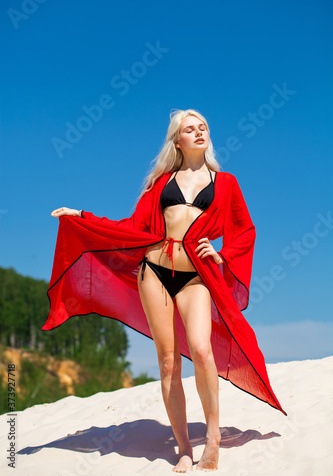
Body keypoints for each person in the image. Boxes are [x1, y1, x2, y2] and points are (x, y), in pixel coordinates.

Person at [46, 109, 285, 473]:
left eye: (203, 126)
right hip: (154, 271)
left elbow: (244, 229)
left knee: (203, 351)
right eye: (190, 129)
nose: (199, 132)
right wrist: (82, 216)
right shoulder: (160, 183)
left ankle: (214, 438)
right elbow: (132, 227)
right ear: (178, 141)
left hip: (195, 278)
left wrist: (222, 254)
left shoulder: (226, 182)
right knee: (168, 360)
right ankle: (185, 448)